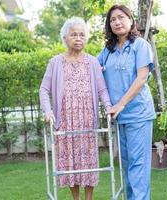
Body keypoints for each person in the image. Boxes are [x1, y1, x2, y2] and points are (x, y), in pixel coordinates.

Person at [39, 17, 111, 200]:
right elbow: (44, 89)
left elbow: (102, 89)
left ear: (86, 38)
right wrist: (48, 111)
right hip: (65, 121)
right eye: (73, 34)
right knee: (70, 165)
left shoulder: (93, 62)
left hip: (87, 120)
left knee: (88, 163)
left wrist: (109, 108)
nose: (78, 38)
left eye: (81, 34)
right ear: (65, 38)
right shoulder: (55, 62)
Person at [98, 5, 156, 200]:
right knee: (126, 164)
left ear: (131, 20)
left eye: (121, 17)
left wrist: (121, 104)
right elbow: (92, 71)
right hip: (118, 117)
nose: (116, 22)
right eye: (112, 19)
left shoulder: (141, 46)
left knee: (138, 165)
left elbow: (141, 79)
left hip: (138, 114)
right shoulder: (108, 51)